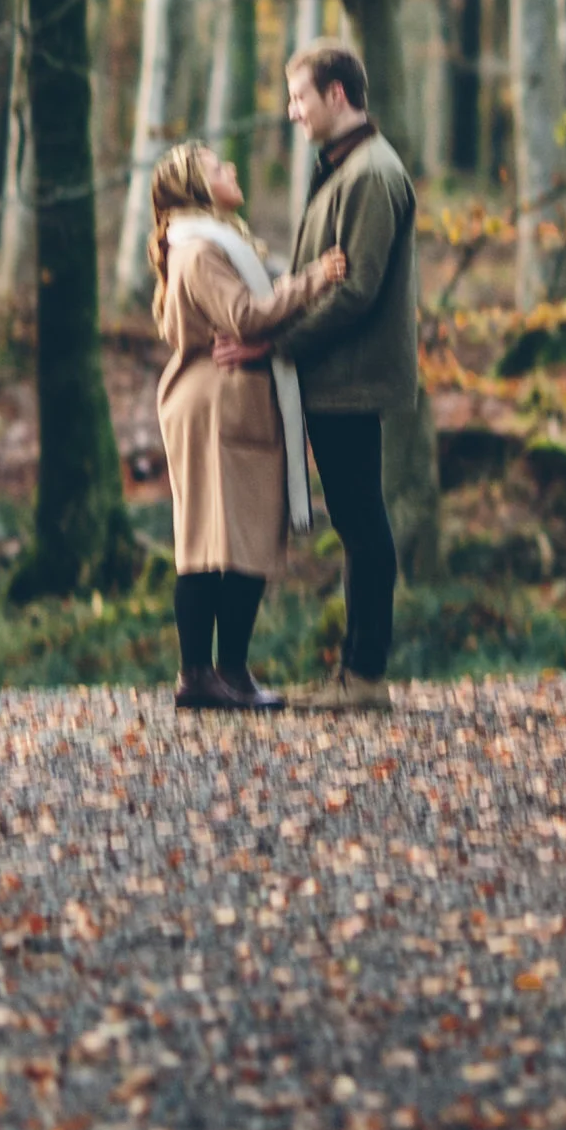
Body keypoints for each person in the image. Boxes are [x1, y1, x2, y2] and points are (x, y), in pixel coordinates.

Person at [219, 42, 417, 713]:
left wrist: (277, 347)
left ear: (337, 96)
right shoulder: (341, 169)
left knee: (363, 523)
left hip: (348, 379)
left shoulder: (370, 175)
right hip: (333, 377)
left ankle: (363, 677)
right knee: (359, 523)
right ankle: (355, 675)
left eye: (300, 97)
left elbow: (357, 291)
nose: (292, 111)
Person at [149, 138, 346, 713]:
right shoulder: (198, 248)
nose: (230, 168)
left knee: (240, 540)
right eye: (216, 167)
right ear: (195, 187)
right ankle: (201, 675)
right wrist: (318, 277)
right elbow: (244, 314)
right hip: (216, 406)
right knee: (212, 542)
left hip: (227, 402)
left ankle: (229, 673)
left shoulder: (213, 242)